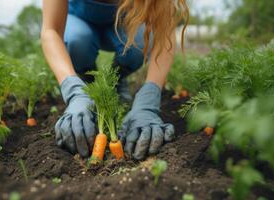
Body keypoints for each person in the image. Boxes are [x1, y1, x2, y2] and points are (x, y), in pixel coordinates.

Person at [41, 0, 189, 160]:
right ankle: (86, 84)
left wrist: (150, 97)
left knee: (139, 42)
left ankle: (117, 78)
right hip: (79, 21)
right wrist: (73, 90)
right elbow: (51, 31)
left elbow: (164, 32)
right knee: (77, 40)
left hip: (124, 22)